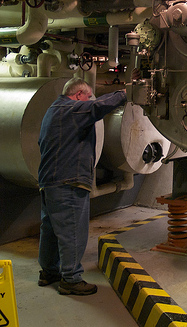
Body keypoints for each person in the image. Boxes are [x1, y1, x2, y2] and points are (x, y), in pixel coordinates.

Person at [37, 77, 127, 295]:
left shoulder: (52, 111)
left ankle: (49, 272)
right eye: (87, 97)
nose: (88, 101)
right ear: (78, 96)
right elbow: (97, 107)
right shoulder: (72, 109)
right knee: (73, 232)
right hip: (69, 182)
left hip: (49, 182)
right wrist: (125, 93)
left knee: (50, 229)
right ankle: (71, 279)